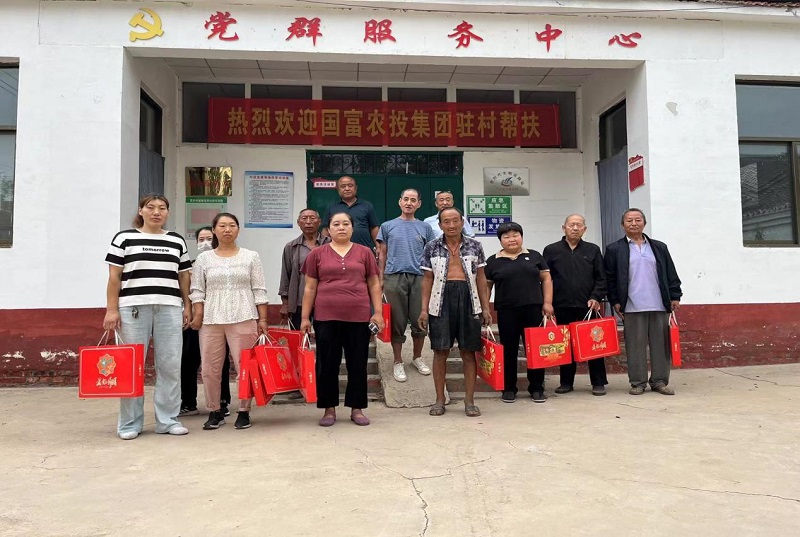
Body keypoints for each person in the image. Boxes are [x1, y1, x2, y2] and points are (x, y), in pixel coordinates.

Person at [103, 194, 192, 440]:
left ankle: (168, 420)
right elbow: (114, 277)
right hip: (132, 308)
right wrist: (111, 309)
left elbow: (184, 276)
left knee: (170, 366)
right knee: (131, 367)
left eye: (162, 208)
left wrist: (187, 306)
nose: (156, 212)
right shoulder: (124, 238)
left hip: (169, 308)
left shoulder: (176, 240)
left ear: (167, 213)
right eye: (150, 207)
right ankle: (130, 423)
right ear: (140, 211)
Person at [300, 211, 384, 427]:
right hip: (326, 317)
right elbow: (310, 288)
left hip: (358, 317)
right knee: (327, 364)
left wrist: (378, 312)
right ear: (328, 230)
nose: (341, 227)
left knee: (358, 363)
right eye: (336, 224)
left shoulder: (365, 252)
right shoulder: (317, 254)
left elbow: (374, 283)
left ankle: (357, 408)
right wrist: (305, 318)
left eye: (346, 224)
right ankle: (329, 409)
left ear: (352, 228)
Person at [189, 213, 269, 430]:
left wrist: (263, 319)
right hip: (211, 318)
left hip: (244, 315)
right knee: (209, 367)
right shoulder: (204, 259)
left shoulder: (251, 256)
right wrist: (198, 315)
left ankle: (244, 410)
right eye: (222, 226)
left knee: (245, 366)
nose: (227, 229)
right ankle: (214, 410)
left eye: (232, 225)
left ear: (238, 230)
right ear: (214, 230)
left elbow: (259, 289)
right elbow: (197, 290)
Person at [419, 207, 492, 418]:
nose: (451, 225)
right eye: (446, 222)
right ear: (440, 225)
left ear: (462, 222)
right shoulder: (431, 247)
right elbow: (427, 279)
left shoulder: (475, 245)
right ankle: (439, 400)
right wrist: (424, 309)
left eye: (455, 221)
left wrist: (485, 307)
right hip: (440, 301)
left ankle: (469, 401)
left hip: (469, 300)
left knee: (468, 352)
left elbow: (481, 278)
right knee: (440, 351)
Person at [604, 208, 682, 396]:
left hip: (659, 304)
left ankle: (659, 381)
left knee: (661, 346)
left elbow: (670, 272)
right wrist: (615, 301)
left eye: (638, 220)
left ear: (644, 223)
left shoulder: (659, 247)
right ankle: (638, 382)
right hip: (632, 305)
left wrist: (675, 295)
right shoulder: (614, 249)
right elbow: (610, 278)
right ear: (622, 225)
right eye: (629, 220)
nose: (634, 223)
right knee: (635, 346)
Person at [485, 222, 553, 403]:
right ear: (500, 240)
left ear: (521, 236)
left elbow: (546, 279)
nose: (511, 239)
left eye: (515, 235)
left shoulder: (535, 256)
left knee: (535, 349)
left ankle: (537, 388)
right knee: (508, 350)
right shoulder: (493, 261)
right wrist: (485, 309)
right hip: (506, 311)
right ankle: (509, 388)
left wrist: (547, 302)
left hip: (533, 309)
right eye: (506, 237)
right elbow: (486, 287)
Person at [543, 214, 608, 396]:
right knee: (565, 346)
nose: (575, 228)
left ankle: (598, 382)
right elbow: (545, 278)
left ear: (584, 229)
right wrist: (548, 302)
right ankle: (566, 382)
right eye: (571, 225)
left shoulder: (592, 250)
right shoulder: (551, 250)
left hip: (588, 306)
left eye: (579, 225)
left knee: (594, 344)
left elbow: (601, 278)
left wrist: (596, 297)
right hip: (561, 306)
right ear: (563, 228)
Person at [376, 189, 436, 382]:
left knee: (420, 319)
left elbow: (431, 255)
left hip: (420, 277)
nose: (409, 203)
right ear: (400, 201)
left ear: (419, 204)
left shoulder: (425, 227)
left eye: (413, 200)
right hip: (394, 277)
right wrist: (381, 277)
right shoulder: (387, 226)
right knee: (397, 320)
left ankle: (417, 357)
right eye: (406, 199)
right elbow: (382, 254)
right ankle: (398, 361)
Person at [180, 226, 232, 416]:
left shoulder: (226, 263)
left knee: (219, 362)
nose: (205, 243)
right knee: (188, 360)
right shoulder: (190, 266)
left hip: (218, 318)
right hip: (194, 319)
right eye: (201, 240)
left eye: (209, 238)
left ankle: (222, 401)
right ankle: (188, 402)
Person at [279, 209, 330, 330]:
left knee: (325, 337)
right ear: (298, 222)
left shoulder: (330, 244)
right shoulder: (291, 247)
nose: (308, 222)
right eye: (304, 218)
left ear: (319, 222)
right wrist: (285, 303)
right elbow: (286, 276)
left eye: (312, 218)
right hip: (299, 300)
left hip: (326, 300)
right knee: (300, 337)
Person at [322, 176, 379, 251]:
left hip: (363, 249)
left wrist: (378, 247)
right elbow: (326, 229)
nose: (347, 189)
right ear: (338, 189)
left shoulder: (367, 206)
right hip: (337, 250)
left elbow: (374, 228)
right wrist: (323, 249)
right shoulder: (331, 207)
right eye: (343, 186)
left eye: (350, 185)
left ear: (355, 188)